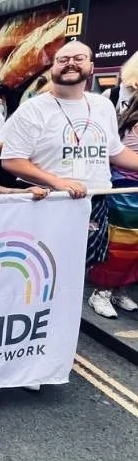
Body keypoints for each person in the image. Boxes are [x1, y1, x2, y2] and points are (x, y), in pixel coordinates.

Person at [0, 41, 138, 319]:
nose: (71, 63)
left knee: (77, 274)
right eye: (63, 59)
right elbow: (12, 160)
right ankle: (30, 324)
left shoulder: (102, 106)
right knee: (38, 272)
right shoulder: (34, 109)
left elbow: (114, 151)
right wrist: (57, 182)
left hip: (94, 201)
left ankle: (61, 329)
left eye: (79, 58)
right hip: (50, 202)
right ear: (52, 68)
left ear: (91, 67)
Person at [89, 95, 138, 317]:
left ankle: (120, 290)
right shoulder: (133, 126)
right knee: (120, 245)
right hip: (125, 193)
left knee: (135, 248)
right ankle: (102, 292)